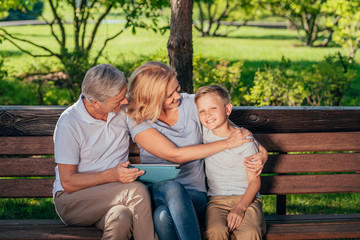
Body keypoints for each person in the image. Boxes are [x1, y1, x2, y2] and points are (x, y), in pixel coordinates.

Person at [126, 61, 268, 240]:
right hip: (158, 191)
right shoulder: (137, 118)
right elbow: (175, 155)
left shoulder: (191, 104)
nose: (178, 96)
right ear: (152, 97)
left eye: (177, 89)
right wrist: (226, 144)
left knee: (162, 217)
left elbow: (232, 130)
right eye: (170, 95)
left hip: (195, 195)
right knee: (173, 188)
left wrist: (262, 152)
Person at [52, 64, 157, 240]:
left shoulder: (121, 111)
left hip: (112, 197)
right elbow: (68, 182)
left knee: (121, 218)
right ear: (95, 102)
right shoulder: (69, 123)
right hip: (73, 200)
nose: (125, 102)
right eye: (118, 100)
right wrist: (113, 175)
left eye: (124, 95)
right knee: (136, 192)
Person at [194, 85, 266, 240]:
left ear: (227, 109)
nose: (208, 115)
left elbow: (254, 182)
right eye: (202, 111)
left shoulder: (245, 140)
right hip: (217, 200)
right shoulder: (204, 132)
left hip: (247, 199)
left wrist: (241, 208)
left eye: (213, 108)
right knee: (215, 231)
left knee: (250, 232)